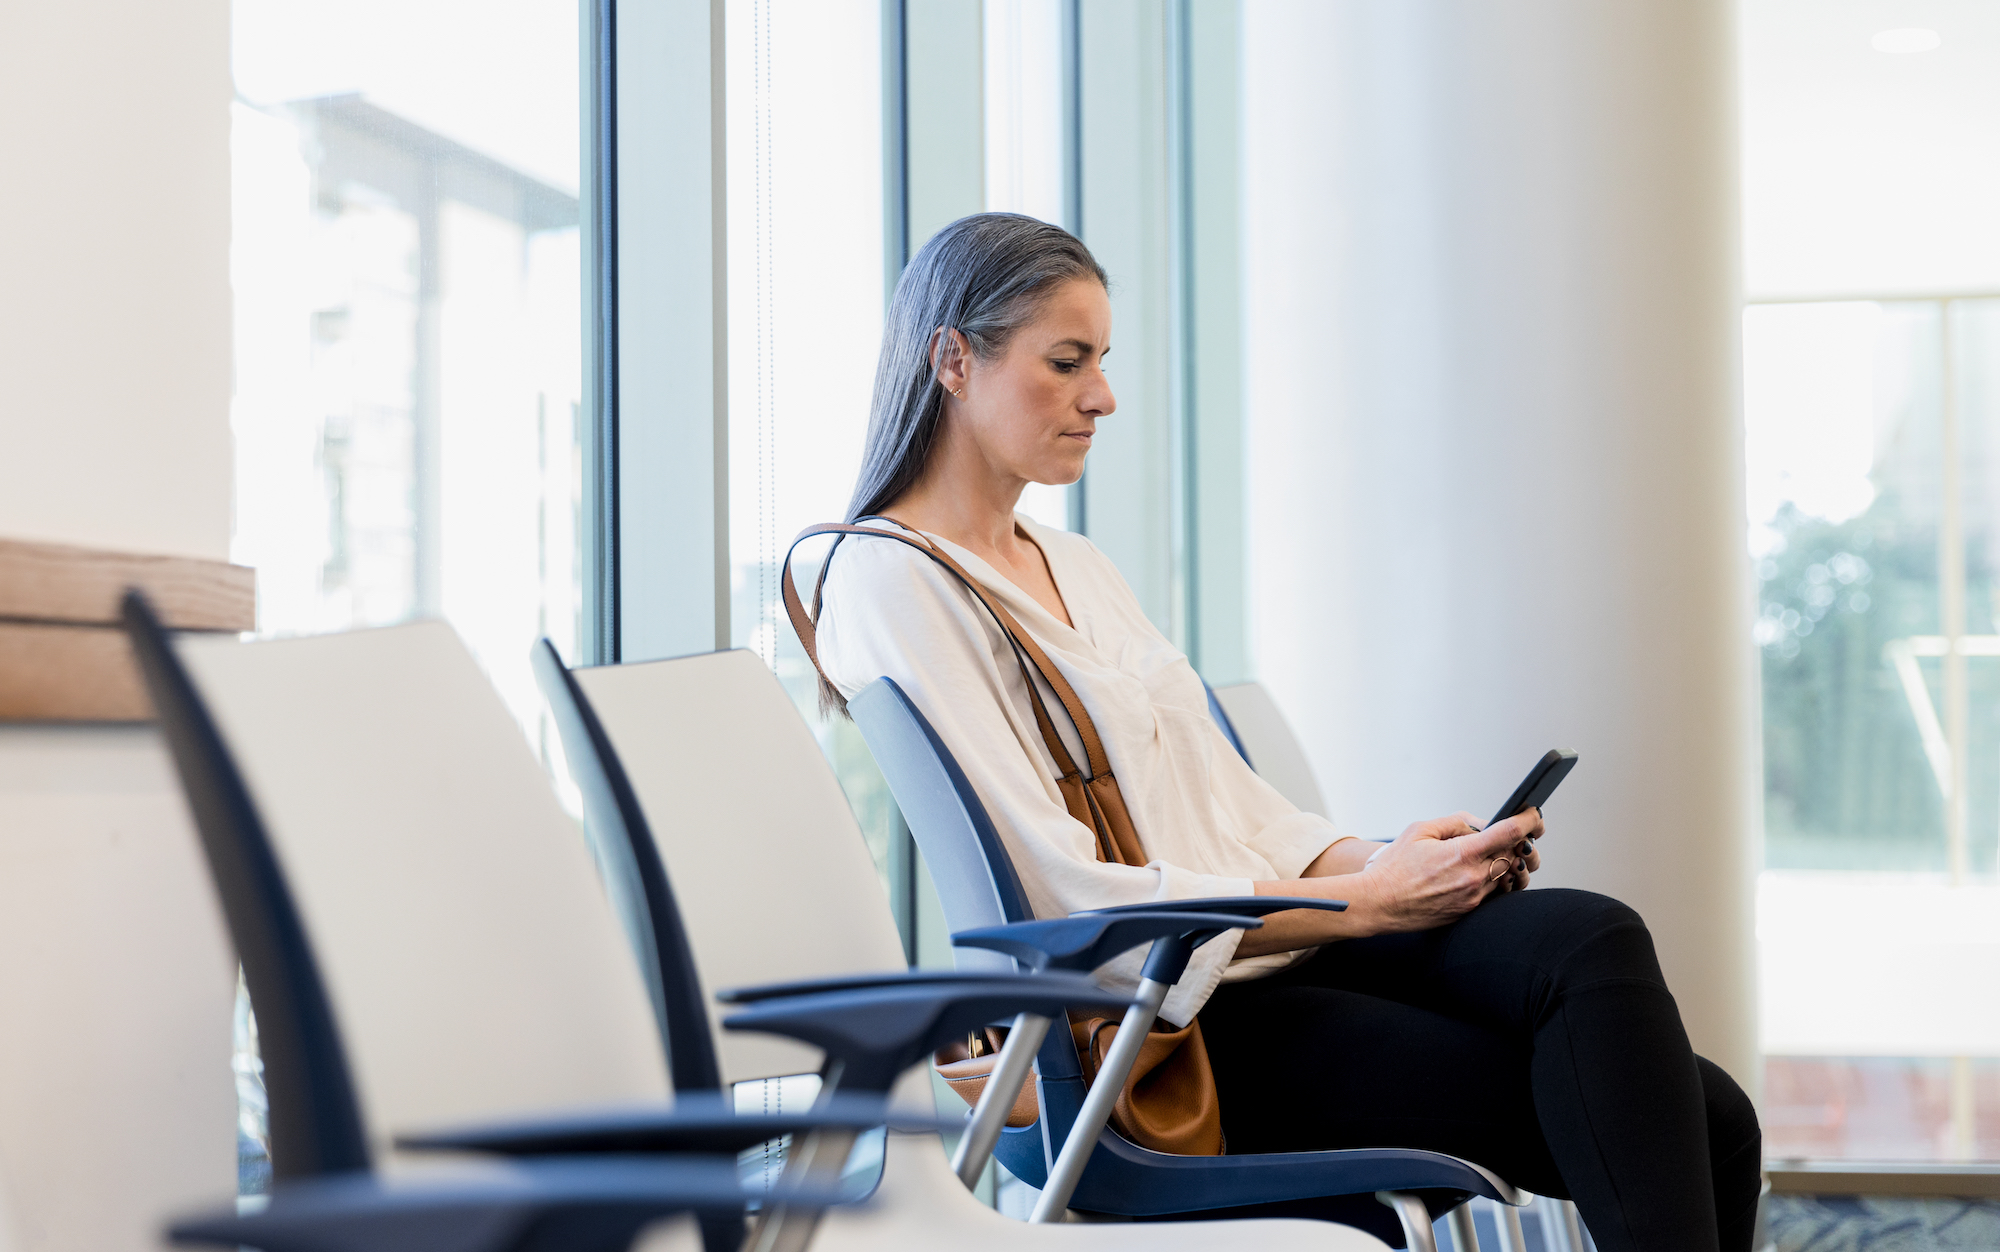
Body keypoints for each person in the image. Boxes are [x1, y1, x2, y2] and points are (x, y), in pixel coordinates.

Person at [799, 212, 1761, 1252]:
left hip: (1270, 956)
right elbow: (1058, 892)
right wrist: (1362, 904)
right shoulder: (888, 577)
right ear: (951, 358)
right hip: (1172, 1025)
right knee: (1691, 1115)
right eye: (1065, 361)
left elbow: (1229, 808)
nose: (1102, 396)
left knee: (1595, 937)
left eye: (1102, 361)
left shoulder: (1072, 563)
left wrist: (1389, 863)